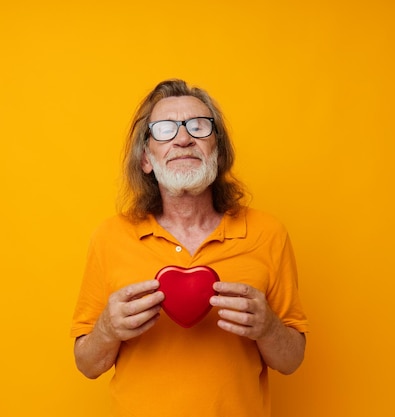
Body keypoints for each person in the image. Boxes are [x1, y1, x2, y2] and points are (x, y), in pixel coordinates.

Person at [71, 79, 308, 417]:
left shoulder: (268, 233)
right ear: (146, 160)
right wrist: (107, 329)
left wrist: (268, 327)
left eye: (199, 127)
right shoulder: (110, 237)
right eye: (165, 130)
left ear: (219, 152)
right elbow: (88, 365)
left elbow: (292, 360)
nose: (183, 139)